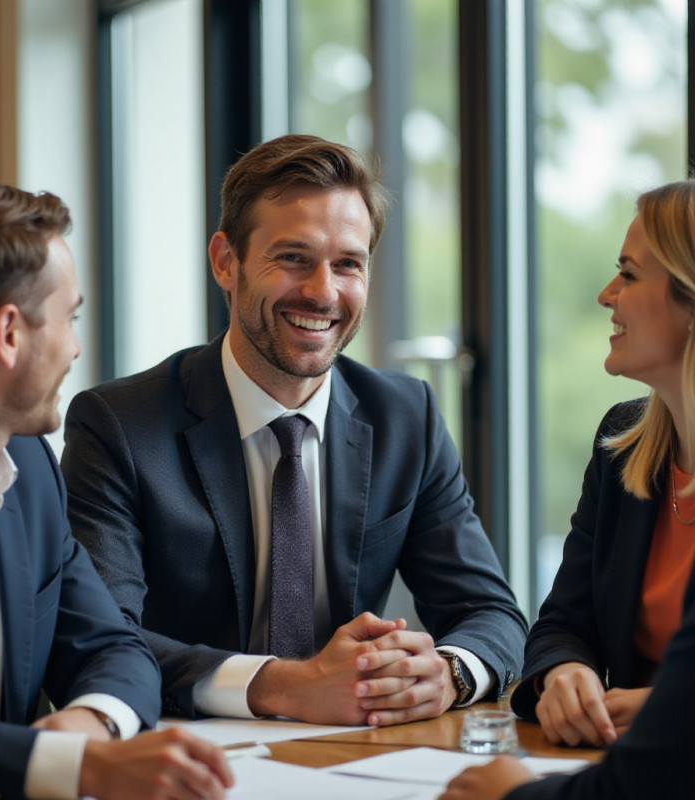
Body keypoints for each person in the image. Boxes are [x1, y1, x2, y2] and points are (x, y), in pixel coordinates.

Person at [61, 133, 526, 727]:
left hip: (358, 760)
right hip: (184, 757)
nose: (323, 292)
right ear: (225, 261)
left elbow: (492, 613)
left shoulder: (407, 416)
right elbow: (100, 637)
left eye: (348, 264)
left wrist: (449, 673)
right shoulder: (119, 425)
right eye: (293, 258)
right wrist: (282, 687)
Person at [0, 179, 233, 800]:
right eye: (70, 318)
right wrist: (76, 767)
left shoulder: (30, 470)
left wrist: (88, 724)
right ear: (9, 333)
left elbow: (115, 646)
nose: (77, 347)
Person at [510, 180, 695, 750]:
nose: (606, 294)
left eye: (630, 275)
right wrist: (565, 674)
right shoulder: (622, 444)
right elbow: (563, 624)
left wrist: (667, 708)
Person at [440, 552, 695, 800]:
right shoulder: (617, 506)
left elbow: (641, 784)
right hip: (598, 750)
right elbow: (563, 623)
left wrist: (517, 793)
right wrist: (564, 669)